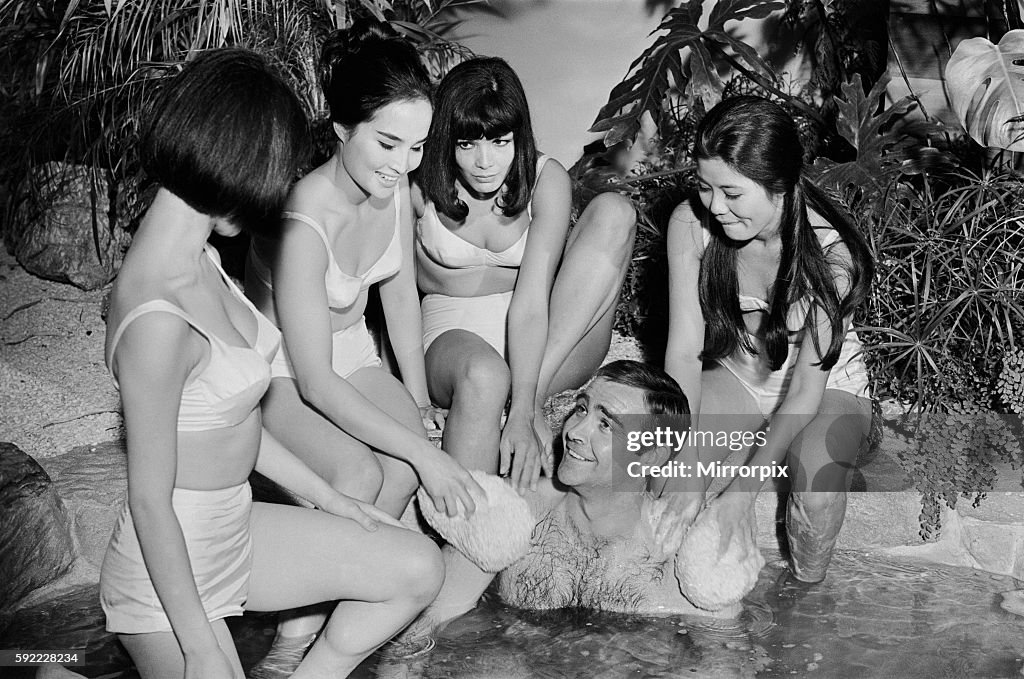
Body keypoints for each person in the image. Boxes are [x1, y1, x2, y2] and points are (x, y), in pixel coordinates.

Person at [100, 49, 444, 679]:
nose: (282, 180)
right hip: (170, 570)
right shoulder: (156, 316)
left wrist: (331, 500)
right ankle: (46, 665)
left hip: (237, 530)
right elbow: (148, 501)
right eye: (277, 163)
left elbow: (234, 429)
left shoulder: (200, 260)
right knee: (51, 656)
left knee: (418, 567)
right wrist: (201, 646)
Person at [244, 21, 483, 674]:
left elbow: (400, 298)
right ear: (343, 127)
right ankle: (297, 630)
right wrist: (419, 449)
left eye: (416, 145)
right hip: (280, 371)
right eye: (387, 141)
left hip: (351, 353)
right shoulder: (302, 221)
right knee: (358, 475)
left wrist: (413, 399)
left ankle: (331, 636)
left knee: (406, 459)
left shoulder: (396, 190)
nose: (402, 162)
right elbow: (315, 380)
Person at [410, 56, 636, 627]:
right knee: (484, 376)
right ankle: (462, 553)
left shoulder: (544, 178)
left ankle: (465, 567)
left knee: (614, 211)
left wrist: (528, 406)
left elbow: (533, 299)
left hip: (545, 337)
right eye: (467, 144)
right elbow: (391, 288)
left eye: (501, 141)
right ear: (446, 140)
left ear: (520, 135)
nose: (486, 162)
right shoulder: (415, 186)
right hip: (453, 332)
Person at [661, 95, 874, 583]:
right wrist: (686, 454)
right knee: (665, 467)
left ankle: (803, 598)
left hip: (824, 388)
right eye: (704, 187)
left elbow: (803, 392)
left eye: (732, 194)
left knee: (816, 493)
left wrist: (742, 492)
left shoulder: (829, 254)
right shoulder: (689, 226)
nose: (714, 207)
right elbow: (684, 354)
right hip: (738, 372)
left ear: (780, 186)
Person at [396, 360, 763, 643]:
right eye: (583, 410)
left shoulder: (680, 556)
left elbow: (722, 659)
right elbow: (424, 629)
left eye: (606, 426)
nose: (573, 431)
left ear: (651, 457)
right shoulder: (515, 516)